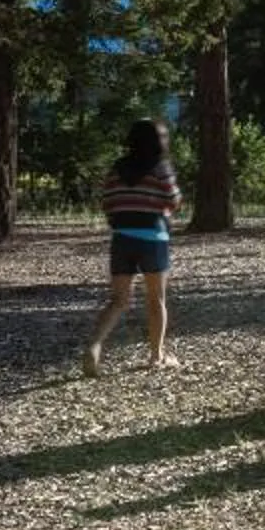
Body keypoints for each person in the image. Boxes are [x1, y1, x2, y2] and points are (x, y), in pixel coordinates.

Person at [85, 119, 183, 376]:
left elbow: (108, 201)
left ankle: (94, 346)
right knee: (155, 300)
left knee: (118, 300)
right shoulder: (161, 168)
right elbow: (173, 200)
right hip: (153, 236)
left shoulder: (118, 169)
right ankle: (157, 356)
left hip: (122, 238)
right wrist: (165, 209)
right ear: (158, 142)